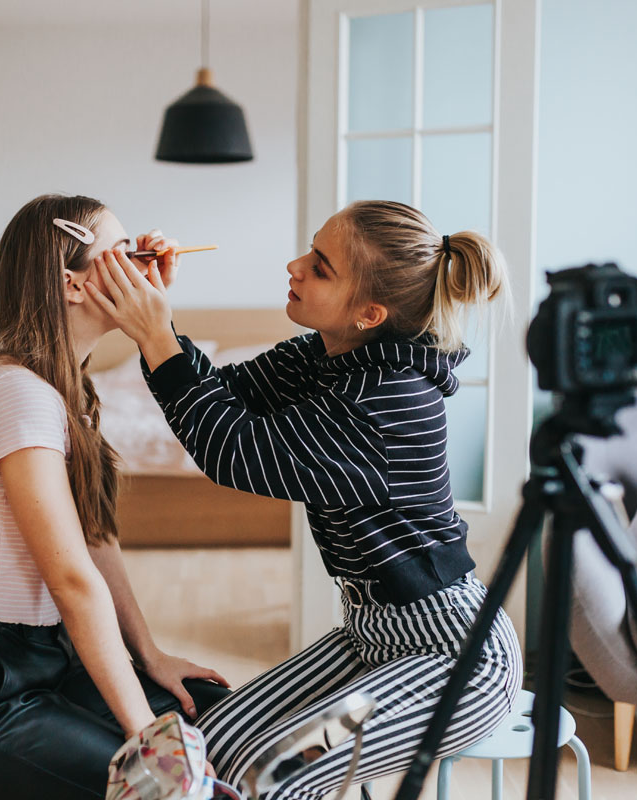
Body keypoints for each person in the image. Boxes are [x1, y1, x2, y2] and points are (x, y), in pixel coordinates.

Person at [85, 200, 523, 799]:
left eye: (319, 267)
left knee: (276, 776)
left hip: (454, 661)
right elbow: (219, 393)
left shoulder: (389, 401)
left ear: (370, 312)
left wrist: (156, 333)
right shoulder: (325, 356)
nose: (293, 266)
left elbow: (233, 450)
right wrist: (158, 317)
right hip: (374, 638)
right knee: (214, 744)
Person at [0, 194, 230, 800]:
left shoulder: (68, 391)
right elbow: (72, 580)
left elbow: (96, 540)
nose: (140, 265)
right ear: (72, 285)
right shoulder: (18, 393)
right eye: (123, 255)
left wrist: (149, 655)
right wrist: (148, 737)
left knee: (215, 714)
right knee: (161, 788)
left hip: (50, 660)